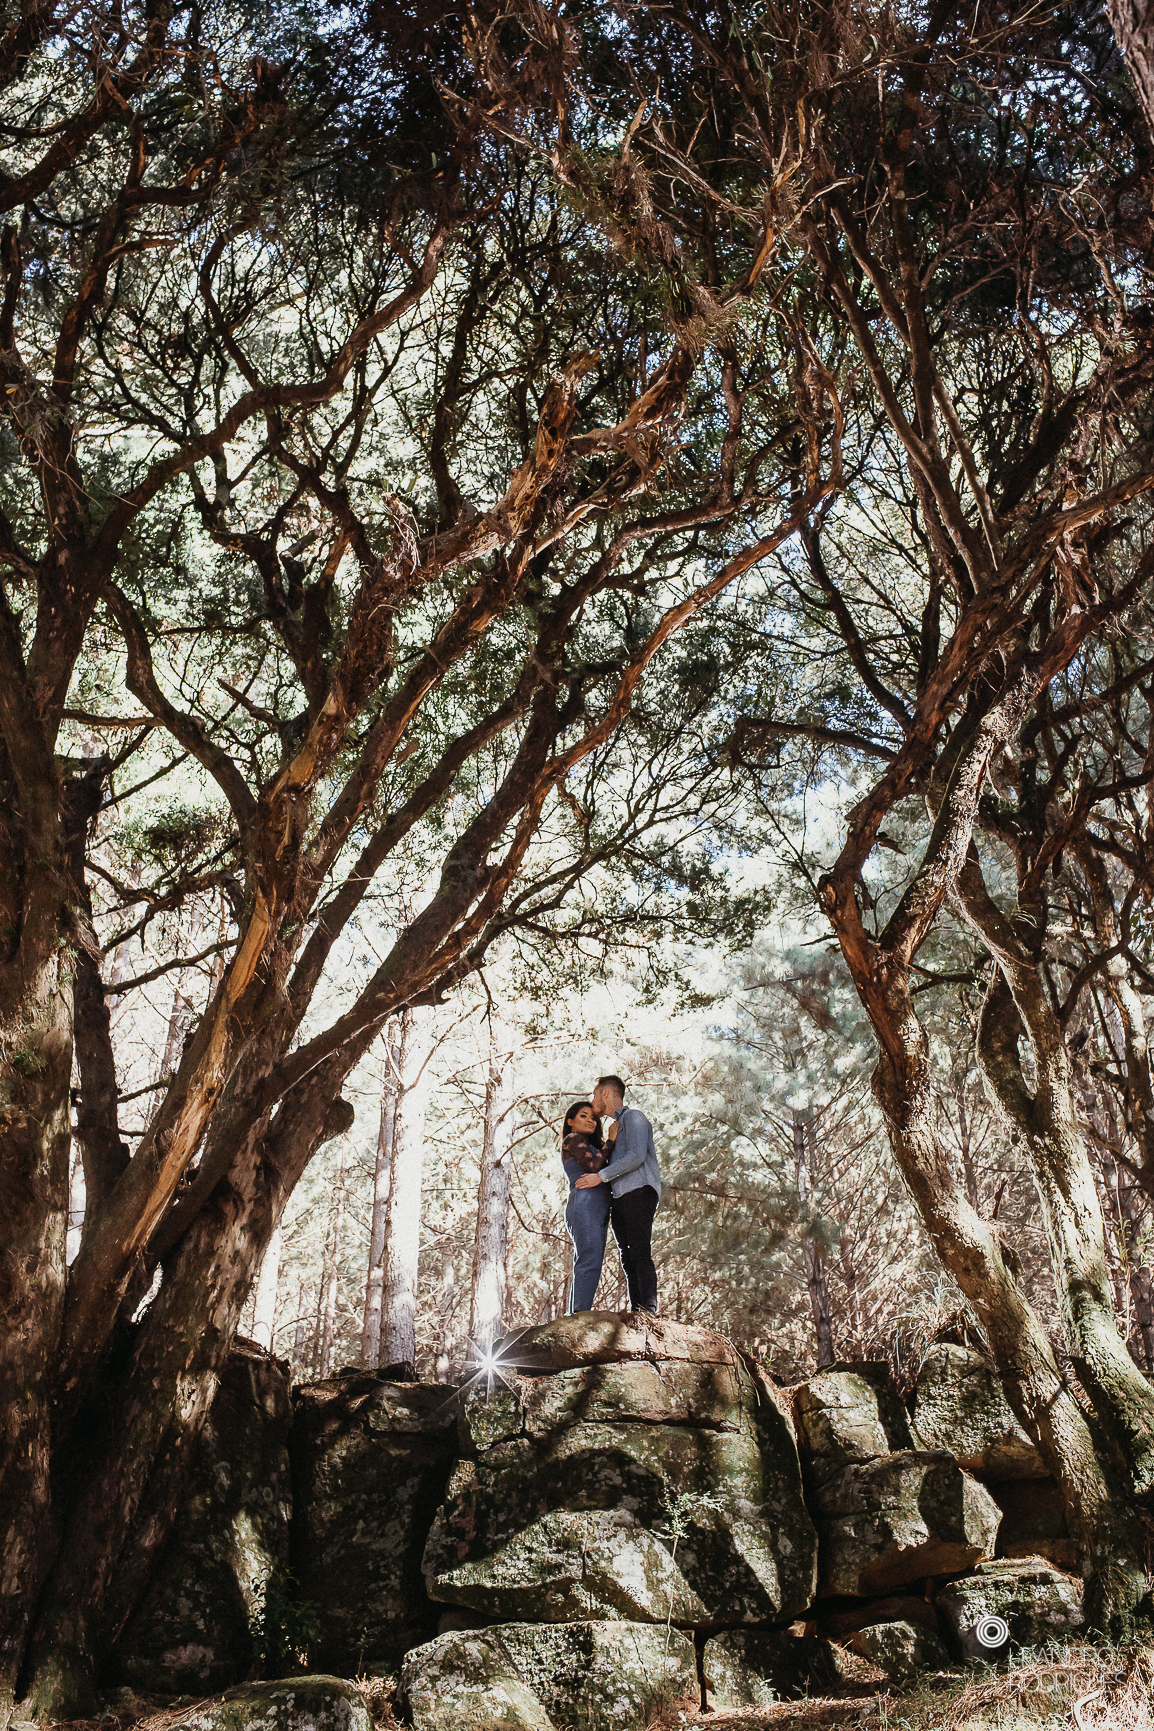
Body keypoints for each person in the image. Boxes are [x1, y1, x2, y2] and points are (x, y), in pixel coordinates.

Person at [574, 1074, 660, 1315]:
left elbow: (636, 1156)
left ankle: (649, 1312)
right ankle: (638, 1311)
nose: (592, 1101)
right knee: (627, 1255)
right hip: (619, 1196)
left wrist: (600, 1177)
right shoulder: (613, 1127)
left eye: (594, 1094)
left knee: (639, 1250)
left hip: (639, 1191)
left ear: (605, 1093)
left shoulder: (634, 1117)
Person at [561, 1100, 613, 1313]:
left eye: (593, 1118)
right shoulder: (572, 1139)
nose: (590, 1120)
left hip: (597, 1207)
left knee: (590, 1259)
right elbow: (592, 1166)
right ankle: (580, 1315)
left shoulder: (593, 1145)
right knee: (589, 1258)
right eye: (584, 1116)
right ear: (570, 1121)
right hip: (584, 1204)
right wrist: (611, 1141)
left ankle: (578, 1313)